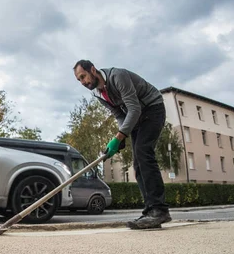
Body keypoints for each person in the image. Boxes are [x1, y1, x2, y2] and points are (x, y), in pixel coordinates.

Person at [73, 60, 171, 229]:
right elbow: (119, 114)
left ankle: (159, 210)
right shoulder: (98, 93)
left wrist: (119, 136)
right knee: (137, 163)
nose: (82, 82)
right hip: (137, 117)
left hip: (152, 108)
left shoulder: (118, 77)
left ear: (93, 70)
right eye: (79, 80)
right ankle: (150, 211)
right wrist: (120, 138)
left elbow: (134, 108)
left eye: (83, 76)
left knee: (143, 152)